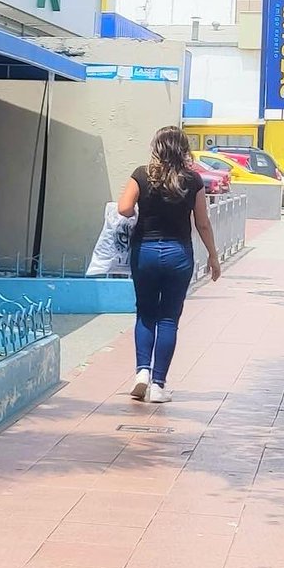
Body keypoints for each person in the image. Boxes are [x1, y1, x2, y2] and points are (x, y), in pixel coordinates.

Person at [117, 127, 222, 404]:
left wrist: (142, 207)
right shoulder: (193, 180)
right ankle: (158, 386)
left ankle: (142, 372)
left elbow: (123, 208)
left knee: (145, 314)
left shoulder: (141, 174)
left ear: (157, 147)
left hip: (145, 252)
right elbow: (202, 223)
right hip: (178, 254)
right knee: (168, 319)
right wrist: (213, 256)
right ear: (182, 149)